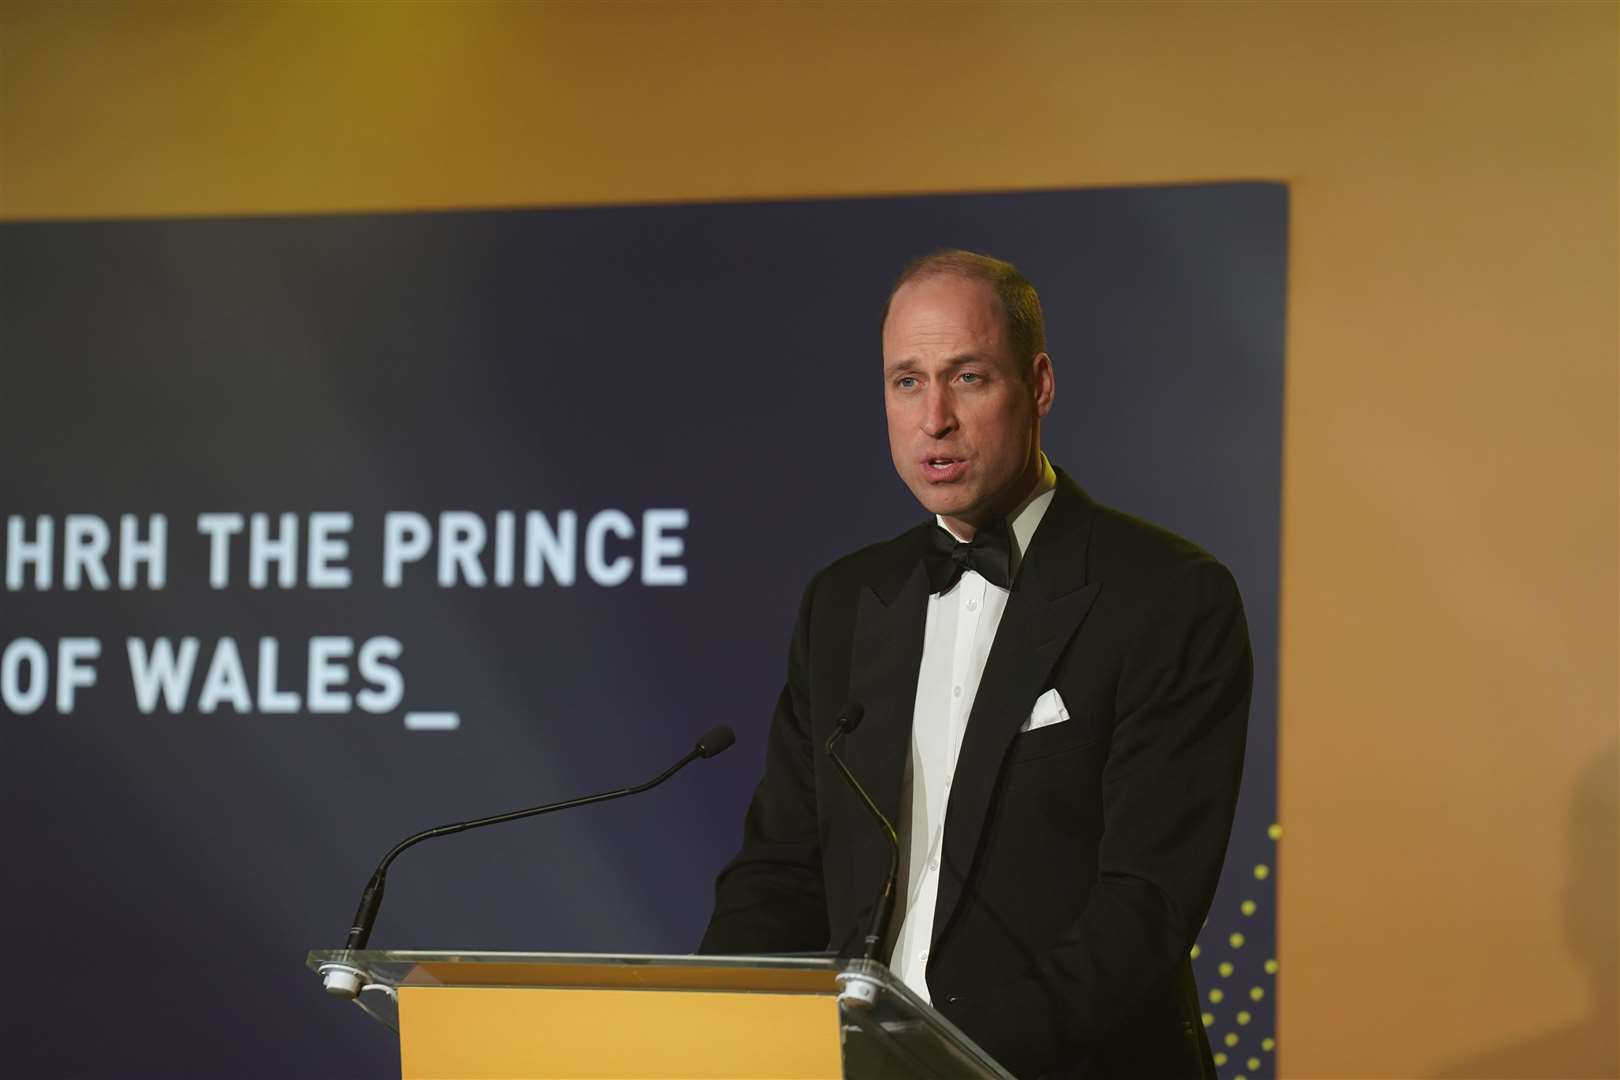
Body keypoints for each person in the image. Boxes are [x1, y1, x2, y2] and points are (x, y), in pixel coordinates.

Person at [699, 250, 1251, 1080]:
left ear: (1039, 385)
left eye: (968, 378)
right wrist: (713, 1031)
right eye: (907, 382)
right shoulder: (846, 602)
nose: (935, 420)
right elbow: (780, 870)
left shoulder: (1167, 597)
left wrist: (941, 1061)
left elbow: (1145, 908)